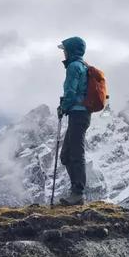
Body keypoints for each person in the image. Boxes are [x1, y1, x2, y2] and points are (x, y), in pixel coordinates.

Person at [56, 36, 91, 206]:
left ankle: (78, 193)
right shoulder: (83, 66)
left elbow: (70, 91)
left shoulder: (73, 67)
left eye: (64, 50)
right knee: (67, 155)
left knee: (75, 153)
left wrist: (63, 107)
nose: (63, 52)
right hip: (81, 114)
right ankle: (76, 191)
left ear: (70, 50)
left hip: (78, 114)